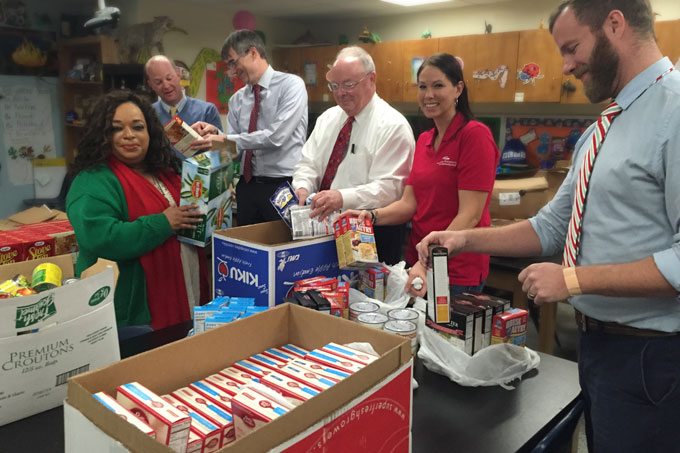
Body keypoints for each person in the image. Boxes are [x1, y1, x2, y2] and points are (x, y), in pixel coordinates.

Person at [417, 1, 680, 450]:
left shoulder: (672, 110)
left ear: (615, 24)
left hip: (652, 355)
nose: (567, 65)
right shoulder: (605, 126)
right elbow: (552, 226)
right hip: (599, 348)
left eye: (573, 48)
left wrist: (572, 279)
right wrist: (463, 238)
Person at [342, 53, 498, 296]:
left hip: (455, 268)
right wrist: (370, 216)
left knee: (445, 335)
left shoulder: (475, 136)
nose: (428, 95)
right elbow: (409, 203)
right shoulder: (425, 140)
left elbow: (469, 215)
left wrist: (427, 262)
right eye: (423, 87)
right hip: (418, 263)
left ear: (458, 89)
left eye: (438, 86)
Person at [66, 91, 210, 335]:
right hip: (136, 314)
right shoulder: (93, 181)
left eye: (137, 127)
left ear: (150, 133)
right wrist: (163, 223)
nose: (129, 135)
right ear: (103, 135)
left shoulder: (166, 171)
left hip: (187, 293)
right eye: (116, 128)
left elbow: (192, 214)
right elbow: (101, 237)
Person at [292, 46, 415, 264]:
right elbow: (308, 162)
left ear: (372, 79)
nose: (341, 93)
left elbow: (390, 189)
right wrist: (302, 186)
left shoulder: (393, 126)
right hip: (324, 228)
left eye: (349, 84)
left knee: (366, 297)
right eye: (335, 86)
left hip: (372, 233)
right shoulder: (328, 119)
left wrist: (341, 197)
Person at [190, 30, 308, 226]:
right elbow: (234, 151)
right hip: (247, 186)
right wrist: (214, 136)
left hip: (283, 184)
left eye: (232, 62)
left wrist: (226, 139)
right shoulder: (237, 99)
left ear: (253, 52)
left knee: (284, 250)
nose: (231, 71)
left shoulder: (291, 86)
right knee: (248, 250)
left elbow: (276, 137)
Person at [145, 55, 223, 159]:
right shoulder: (147, 115)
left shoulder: (207, 111)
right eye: (158, 82)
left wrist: (216, 137)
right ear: (151, 85)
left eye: (169, 78)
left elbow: (224, 155)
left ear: (178, 75)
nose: (166, 86)